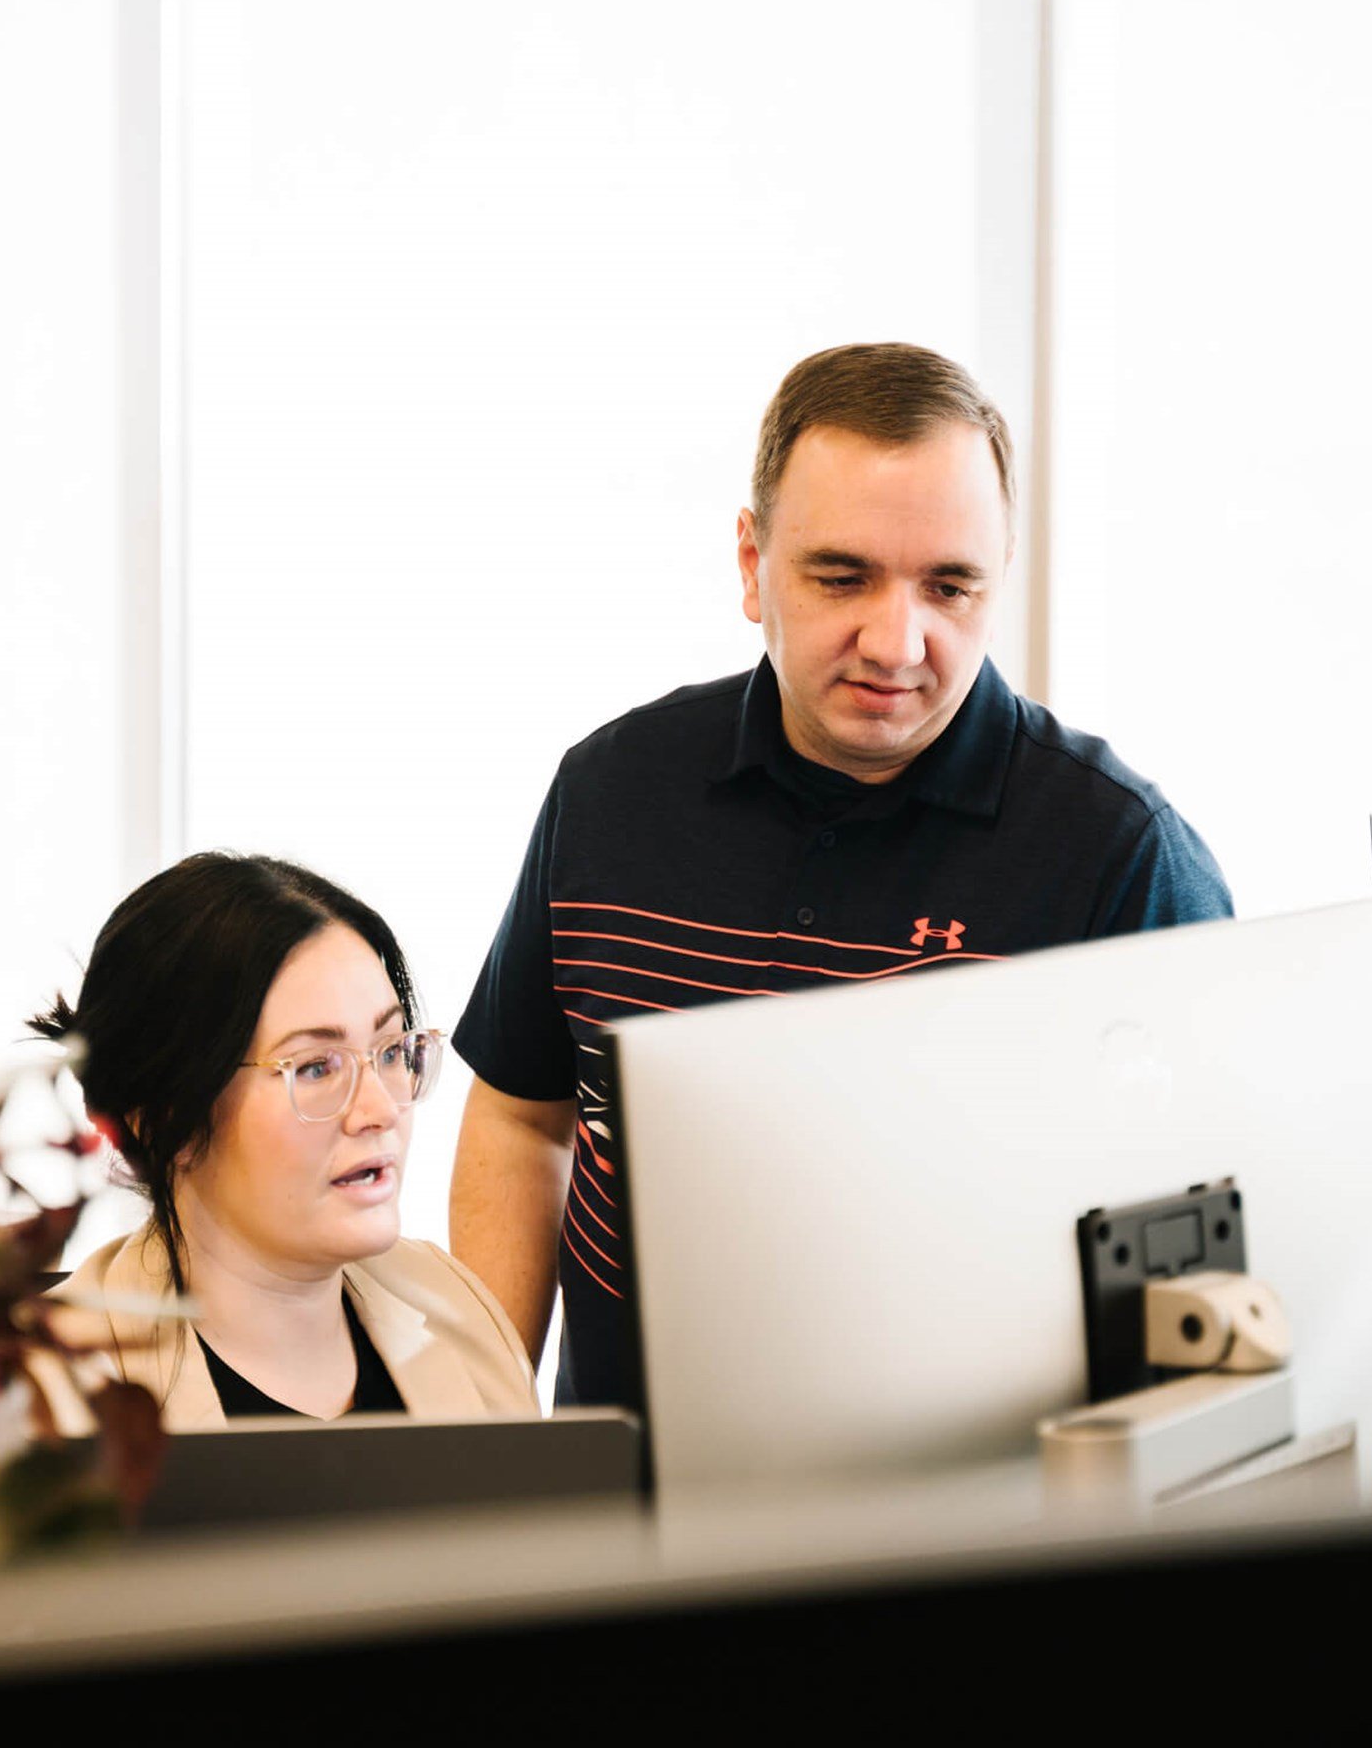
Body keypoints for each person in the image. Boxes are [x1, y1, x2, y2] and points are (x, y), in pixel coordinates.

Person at [450, 340, 1232, 1411]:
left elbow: (1199, 1257)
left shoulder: (1122, 854)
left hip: (955, 1524)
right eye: (842, 575)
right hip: (618, 1511)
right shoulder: (609, 789)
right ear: (749, 563)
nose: (897, 639)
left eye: (950, 584)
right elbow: (521, 1116)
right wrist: (490, 1427)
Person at [33, 852, 538, 1427]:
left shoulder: (460, 1310)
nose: (379, 1110)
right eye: (316, 1068)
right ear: (161, 1114)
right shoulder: (31, 1404)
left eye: (392, 1051)